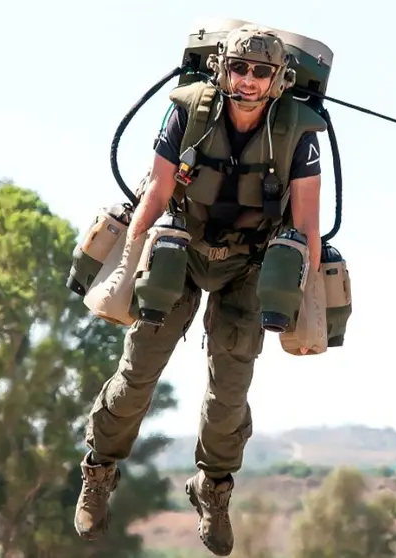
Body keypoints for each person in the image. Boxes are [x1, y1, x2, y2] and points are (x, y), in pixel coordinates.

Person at [74, 24, 325, 556]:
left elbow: (307, 224)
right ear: (222, 70)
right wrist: (127, 261)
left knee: (229, 394)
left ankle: (213, 489)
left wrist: (307, 293)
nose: (249, 80)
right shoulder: (187, 111)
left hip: (249, 265)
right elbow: (159, 190)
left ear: (278, 80)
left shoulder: (298, 130)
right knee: (137, 374)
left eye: (262, 72)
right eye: (239, 68)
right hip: (180, 249)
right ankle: (98, 471)